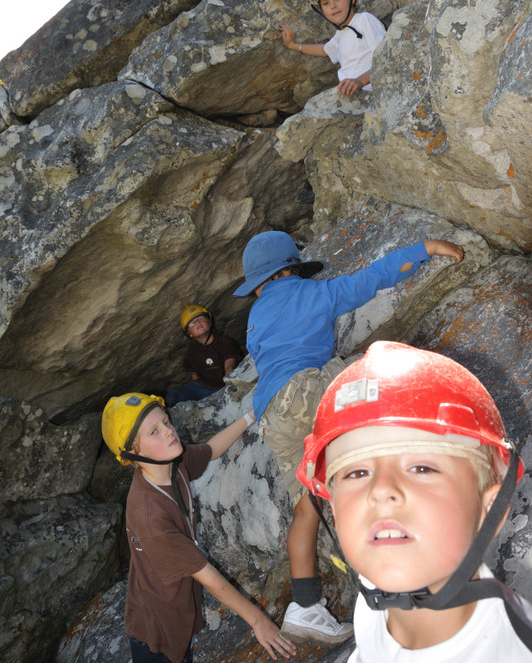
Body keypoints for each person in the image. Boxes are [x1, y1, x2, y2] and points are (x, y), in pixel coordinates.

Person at [232, 230, 464, 646]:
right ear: (291, 270)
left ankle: (305, 606)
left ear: (259, 283)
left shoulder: (254, 319)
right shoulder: (309, 293)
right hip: (305, 391)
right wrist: (423, 249)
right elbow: (367, 280)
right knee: (371, 364)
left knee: (308, 507)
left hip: (272, 418)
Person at [298, 340, 532, 661]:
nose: (380, 489)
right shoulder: (374, 598)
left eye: (422, 468)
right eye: (356, 473)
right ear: (334, 509)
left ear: (490, 508)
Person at [101, 392, 296, 663]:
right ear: (133, 453)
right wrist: (258, 621)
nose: (169, 432)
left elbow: (212, 450)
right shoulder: (149, 515)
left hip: (176, 608)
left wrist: (251, 415)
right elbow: (209, 577)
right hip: (156, 629)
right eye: (154, 432)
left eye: (166, 422)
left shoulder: (172, 464)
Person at [279, 0, 386, 98]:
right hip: (352, 97)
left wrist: (360, 81)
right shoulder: (340, 36)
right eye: (325, 3)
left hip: (375, 94)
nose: (333, 6)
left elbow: (387, 59)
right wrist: (293, 46)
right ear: (321, 10)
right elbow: (324, 50)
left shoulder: (364, 21)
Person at [165, 304, 242, 406]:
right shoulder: (192, 350)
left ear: (209, 323)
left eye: (200, 319)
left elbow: (229, 366)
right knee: (172, 397)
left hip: (223, 385)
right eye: (192, 323)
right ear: (189, 333)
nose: (197, 323)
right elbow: (195, 375)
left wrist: (227, 387)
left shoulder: (225, 342)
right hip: (203, 388)